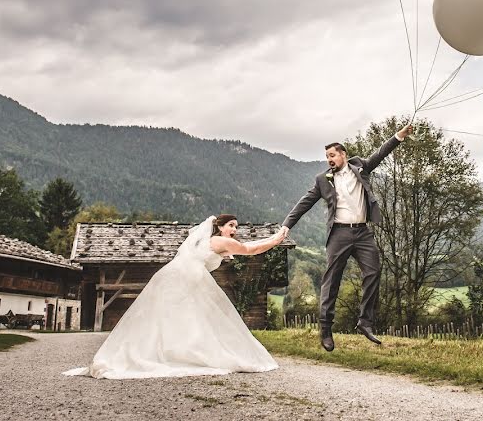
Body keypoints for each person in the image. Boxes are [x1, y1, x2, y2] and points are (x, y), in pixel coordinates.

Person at [63, 214, 286, 379]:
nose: (234, 230)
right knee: (204, 317)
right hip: (186, 278)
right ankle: (183, 354)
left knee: (171, 319)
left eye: (236, 227)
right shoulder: (219, 241)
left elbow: (240, 248)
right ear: (218, 227)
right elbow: (248, 250)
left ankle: (171, 353)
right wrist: (275, 240)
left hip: (175, 276)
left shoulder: (203, 242)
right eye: (230, 225)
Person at [282, 123, 413, 351]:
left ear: (343, 154)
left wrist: (399, 136)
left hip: (363, 232)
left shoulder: (360, 166)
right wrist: (287, 225)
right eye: (326, 156)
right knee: (331, 280)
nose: (329, 159)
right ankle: (325, 329)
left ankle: (365, 322)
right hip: (339, 233)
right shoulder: (323, 179)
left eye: (332, 155)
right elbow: (305, 202)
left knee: (373, 272)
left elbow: (380, 153)